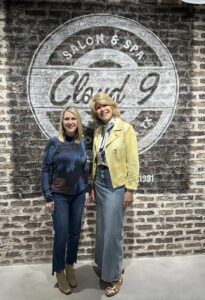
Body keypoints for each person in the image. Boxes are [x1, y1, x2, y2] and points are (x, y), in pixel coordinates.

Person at [90, 92, 139, 297]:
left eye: (105, 106)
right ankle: (108, 265)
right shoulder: (99, 132)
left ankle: (115, 276)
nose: (102, 110)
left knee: (113, 231)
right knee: (102, 228)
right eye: (98, 108)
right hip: (99, 183)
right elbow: (95, 160)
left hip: (116, 183)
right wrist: (93, 185)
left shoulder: (126, 129)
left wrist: (130, 189)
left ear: (112, 106)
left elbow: (133, 161)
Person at [41, 106, 89, 295]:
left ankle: (70, 266)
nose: (70, 122)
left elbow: (84, 169)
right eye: (66, 119)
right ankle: (59, 271)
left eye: (73, 119)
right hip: (59, 196)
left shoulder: (83, 142)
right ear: (62, 122)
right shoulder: (54, 143)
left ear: (78, 121)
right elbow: (45, 170)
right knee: (61, 235)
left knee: (75, 233)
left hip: (78, 195)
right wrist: (48, 196)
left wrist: (85, 190)